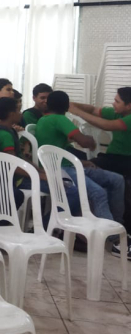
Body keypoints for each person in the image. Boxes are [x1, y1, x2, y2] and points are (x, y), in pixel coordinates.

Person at [36, 91, 128, 256]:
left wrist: (81, 161)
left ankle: (118, 226)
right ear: (65, 106)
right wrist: (89, 140)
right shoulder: (60, 119)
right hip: (62, 169)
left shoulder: (44, 120)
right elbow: (84, 142)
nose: (114, 103)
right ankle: (115, 239)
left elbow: (61, 148)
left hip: (69, 164)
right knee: (98, 192)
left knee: (117, 179)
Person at [69, 87, 131, 180]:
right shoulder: (118, 113)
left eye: (117, 102)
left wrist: (78, 112)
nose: (113, 104)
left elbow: (107, 125)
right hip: (112, 157)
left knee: (85, 168)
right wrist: (69, 105)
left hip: (125, 160)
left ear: (129, 106)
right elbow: (93, 110)